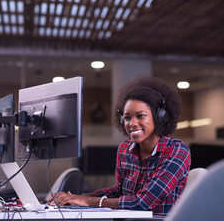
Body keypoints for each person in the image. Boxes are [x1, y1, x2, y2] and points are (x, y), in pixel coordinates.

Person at [49, 75, 191, 215]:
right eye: (127, 117)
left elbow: (143, 202)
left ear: (160, 116)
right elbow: (119, 190)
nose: (132, 123)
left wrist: (88, 201)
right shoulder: (125, 150)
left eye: (140, 115)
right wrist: (74, 197)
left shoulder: (176, 150)